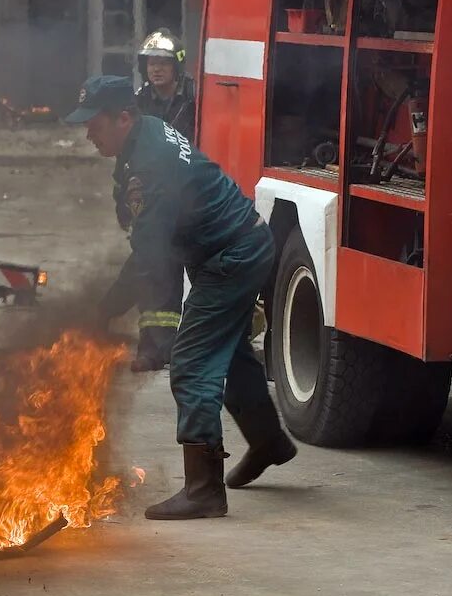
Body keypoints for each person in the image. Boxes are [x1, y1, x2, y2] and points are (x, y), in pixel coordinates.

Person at [68, 75, 297, 520]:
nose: (87, 133)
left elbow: (150, 258)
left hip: (231, 257)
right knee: (228, 352)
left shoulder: (151, 161)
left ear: (123, 117)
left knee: (192, 363)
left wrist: (114, 318)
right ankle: (268, 440)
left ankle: (203, 488)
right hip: (243, 244)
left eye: (93, 123)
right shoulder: (144, 136)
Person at [98, 29, 196, 373]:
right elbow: (123, 156)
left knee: (161, 269)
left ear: (177, 67)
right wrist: (122, 199)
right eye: (151, 63)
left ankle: (108, 320)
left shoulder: (195, 100)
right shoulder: (137, 104)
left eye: (163, 63)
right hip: (149, 200)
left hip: (186, 197)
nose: (156, 69)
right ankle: (151, 347)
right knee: (153, 268)